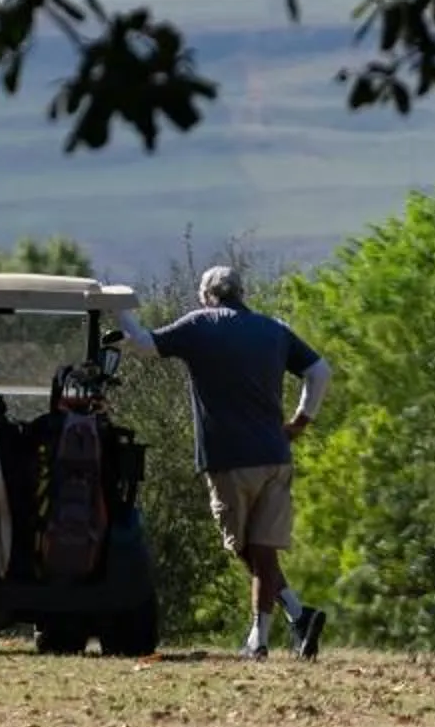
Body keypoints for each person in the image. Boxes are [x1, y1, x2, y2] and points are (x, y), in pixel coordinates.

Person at [117, 265, 333, 660]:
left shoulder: (201, 324)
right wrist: (301, 422)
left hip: (229, 457)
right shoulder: (274, 329)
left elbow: (144, 344)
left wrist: (116, 308)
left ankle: (272, 631)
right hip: (275, 456)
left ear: (206, 295)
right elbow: (319, 371)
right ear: (241, 292)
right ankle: (288, 623)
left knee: (245, 548)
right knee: (263, 547)